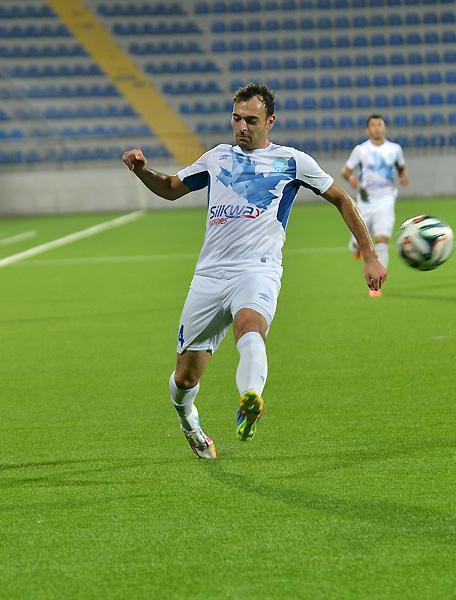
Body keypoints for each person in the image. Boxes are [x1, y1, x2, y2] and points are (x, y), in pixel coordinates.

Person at [121, 82, 386, 460]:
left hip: (258, 269)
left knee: (250, 326)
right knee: (185, 377)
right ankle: (188, 420)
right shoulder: (217, 158)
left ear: (270, 121)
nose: (242, 127)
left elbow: (342, 199)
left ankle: (250, 397)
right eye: (236, 119)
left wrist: (370, 255)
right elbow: (172, 188)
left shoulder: (293, 161)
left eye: (251, 120)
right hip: (210, 275)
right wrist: (142, 171)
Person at [341, 114, 407, 296]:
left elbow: (401, 167)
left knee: (382, 240)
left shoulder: (395, 149)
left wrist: (403, 175)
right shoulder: (361, 150)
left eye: (379, 125)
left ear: (384, 128)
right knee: (357, 242)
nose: (377, 128)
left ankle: (376, 286)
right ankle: (355, 247)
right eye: (373, 125)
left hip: (386, 199)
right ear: (367, 129)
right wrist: (352, 179)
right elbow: (345, 171)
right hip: (365, 201)